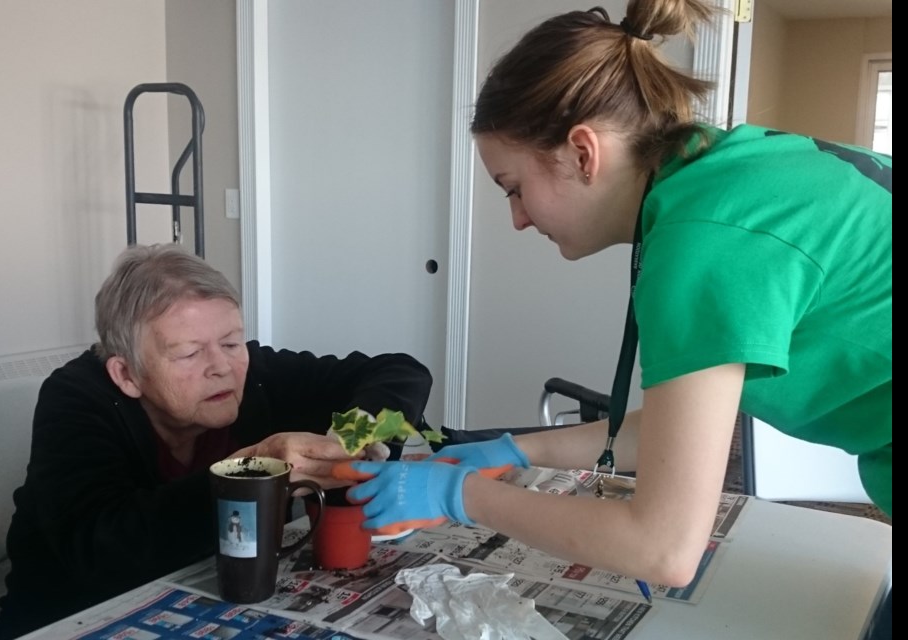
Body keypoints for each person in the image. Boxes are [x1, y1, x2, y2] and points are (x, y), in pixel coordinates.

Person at [348, 1, 890, 636]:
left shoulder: (707, 238)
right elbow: (669, 434)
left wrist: (458, 496)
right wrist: (512, 449)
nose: (517, 218)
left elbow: (663, 549)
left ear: (582, 152)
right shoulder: (728, 172)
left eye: (513, 186)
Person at [0, 243, 432, 638]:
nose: (221, 366)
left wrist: (362, 428)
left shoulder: (254, 374)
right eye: (188, 353)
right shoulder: (75, 399)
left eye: (231, 342)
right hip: (76, 618)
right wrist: (247, 472)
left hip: (212, 597)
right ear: (126, 375)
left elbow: (399, 371)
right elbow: (103, 550)